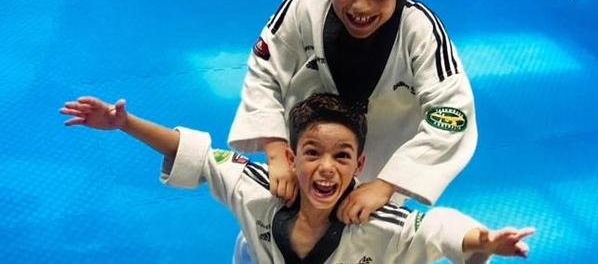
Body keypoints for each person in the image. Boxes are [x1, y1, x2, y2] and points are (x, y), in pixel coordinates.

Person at [230, 0, 477, 226]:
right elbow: (264, 73)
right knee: (267, 241)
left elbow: (453, 115)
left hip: (374, 187)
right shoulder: (304, 6)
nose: (362, 6)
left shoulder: (421, 33)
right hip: (298, 172)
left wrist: (387, 186)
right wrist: (276, 152)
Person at [60, 94, 534, 264]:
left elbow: (439, 228)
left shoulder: (379, 224)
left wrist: (486, 241)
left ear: (359, 165)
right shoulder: (260, 188)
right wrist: (125, 123)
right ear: (291, 156)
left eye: (342, 156)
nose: (326, 167)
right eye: (312, 153)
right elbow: (198, 156)